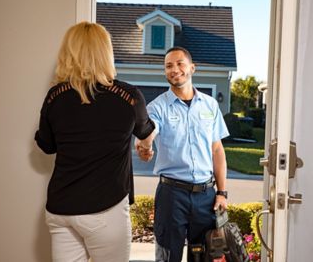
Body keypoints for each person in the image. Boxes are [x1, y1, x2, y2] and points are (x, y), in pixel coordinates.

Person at [35, 21, 155, 262]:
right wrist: (146, 146)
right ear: (106, 53)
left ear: (69, 52)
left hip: (61, 208)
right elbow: (145, 131)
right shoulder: (129, 96)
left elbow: (46, 146)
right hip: (105, 209)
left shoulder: (54, 97)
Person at [135, 46, 229, 262]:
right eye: (168, 66)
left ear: (192, 68)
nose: (174, 69)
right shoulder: (157, 107)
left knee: (203, 257)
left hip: (206, 196)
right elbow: (150, 130)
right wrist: (146, 144)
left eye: (180, 63)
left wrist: (222, 192)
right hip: (171, 195)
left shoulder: (210, 105)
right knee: (168, 256)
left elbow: (217, 150)